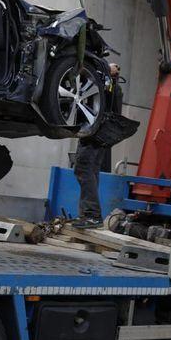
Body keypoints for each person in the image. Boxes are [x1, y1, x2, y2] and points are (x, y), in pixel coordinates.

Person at [72, 63, 124, 229]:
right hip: (98, 134)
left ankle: (91, 215)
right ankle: (88, 215)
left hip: (93, 133)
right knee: (90, 170)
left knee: (83, 169)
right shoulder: (110, 87)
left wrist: (105, 70)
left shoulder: (105, 87)